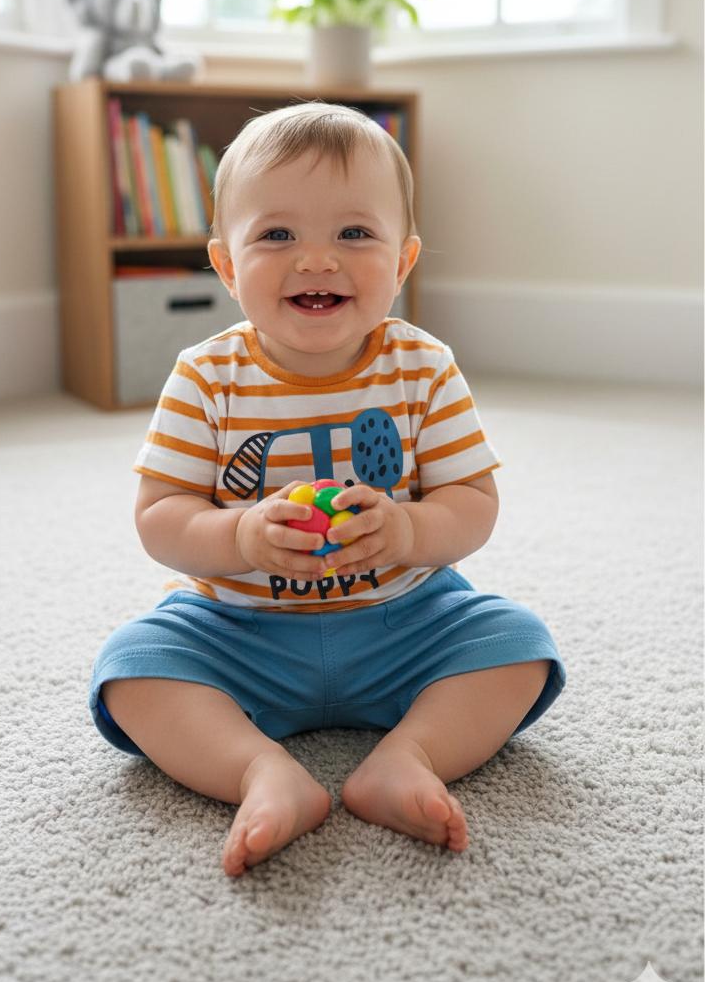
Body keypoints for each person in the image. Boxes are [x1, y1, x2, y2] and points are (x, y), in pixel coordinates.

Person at [89, 102, 566, 877]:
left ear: (404, 261)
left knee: (519, 647)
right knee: (133, 667)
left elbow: (473, 501)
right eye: (277, 236)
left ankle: (407, 757)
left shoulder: (424, 366)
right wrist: (239, 537)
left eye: (354, 233)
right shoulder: (206, 376)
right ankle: (259, 770)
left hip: (403, 619)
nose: (316, 261)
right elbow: (161, 516)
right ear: (226, 264)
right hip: (240, 628)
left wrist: (410, 532)